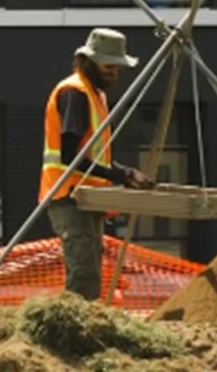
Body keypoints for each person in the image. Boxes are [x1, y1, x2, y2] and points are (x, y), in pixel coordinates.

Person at [40, 28, 154, 303]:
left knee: (90, 271)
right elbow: (70, 157)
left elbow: (95, 157)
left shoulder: (96, 95)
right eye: (107, 65)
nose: (112, 73)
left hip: (88, 197)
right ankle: (75, 332)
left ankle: (85, 327)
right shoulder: (75, 93)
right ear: (87, 62)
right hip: (68, 195)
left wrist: (125, 174)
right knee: (84, 272)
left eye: (117, 67)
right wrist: (120, 175)